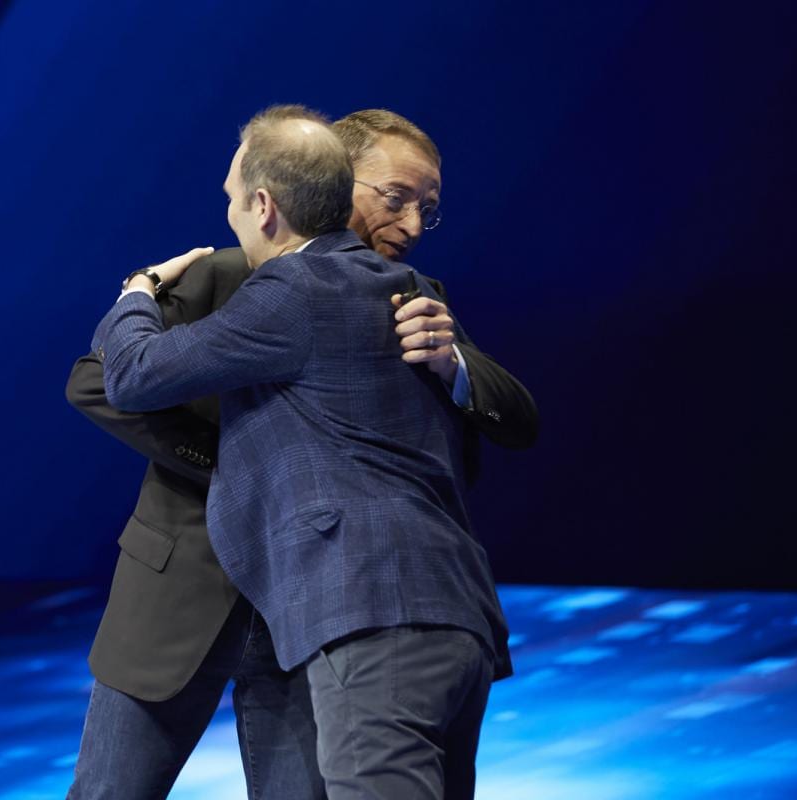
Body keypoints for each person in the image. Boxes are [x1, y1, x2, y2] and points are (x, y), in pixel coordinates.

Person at [87, 105, 513, 799]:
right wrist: (223, 465)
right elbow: (94, 380)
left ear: (262, 204)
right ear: (342, 186)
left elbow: (131, 371)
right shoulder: (333, 286)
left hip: (354, 605)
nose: (409, 225)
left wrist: (138, 290)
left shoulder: (363, 296)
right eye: (396, 198)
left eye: (422, 207)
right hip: (392, 605)